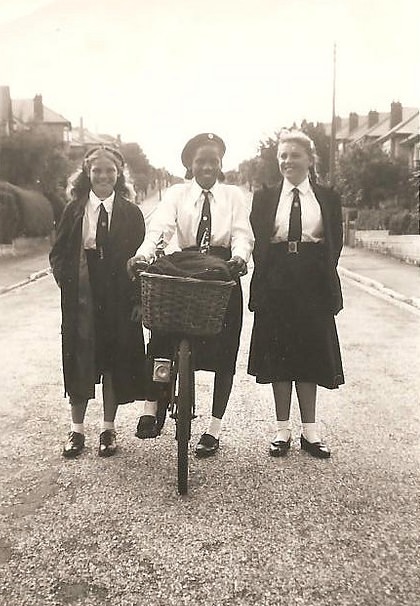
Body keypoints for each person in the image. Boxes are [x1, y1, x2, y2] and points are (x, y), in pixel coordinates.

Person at [127, 132, 254, 457]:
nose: (208, 166)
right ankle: (151, 404)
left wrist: (240, 257)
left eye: (213, 160)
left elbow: (242, 233)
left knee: (226, 352)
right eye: (201, 161)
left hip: (221, 271)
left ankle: (213, 429)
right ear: (190, 164)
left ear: (221, 164)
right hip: (184, 267)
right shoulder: (176, 194)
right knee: (160, 334)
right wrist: (144, 254)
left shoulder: (233, 195)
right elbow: (161, 230)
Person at [248, 130, 344, 458]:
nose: (288, 161)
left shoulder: (327, 197)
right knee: (279, 356)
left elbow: (335, 242)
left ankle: (311, 433)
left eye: (295, 155)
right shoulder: (265, 196)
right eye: (283, 156)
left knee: (310, 355)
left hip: (312, 280)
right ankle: (281, 432)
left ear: (310, 159)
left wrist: (320, 274)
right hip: (276, 278)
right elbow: (259, 242)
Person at [50, 145, 146, 458]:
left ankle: (108, 429)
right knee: (79, 357)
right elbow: (58, 253)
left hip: (118, 292)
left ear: (119, 175)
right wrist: (68, 283)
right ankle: (76, 431)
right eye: (97, 171)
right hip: (83, 292)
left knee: (113, 358)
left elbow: (140, 259)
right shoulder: (75, 209)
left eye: (110, 171)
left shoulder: (131, 212)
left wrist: (137, 299)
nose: (103, 176)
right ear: (87, 174)